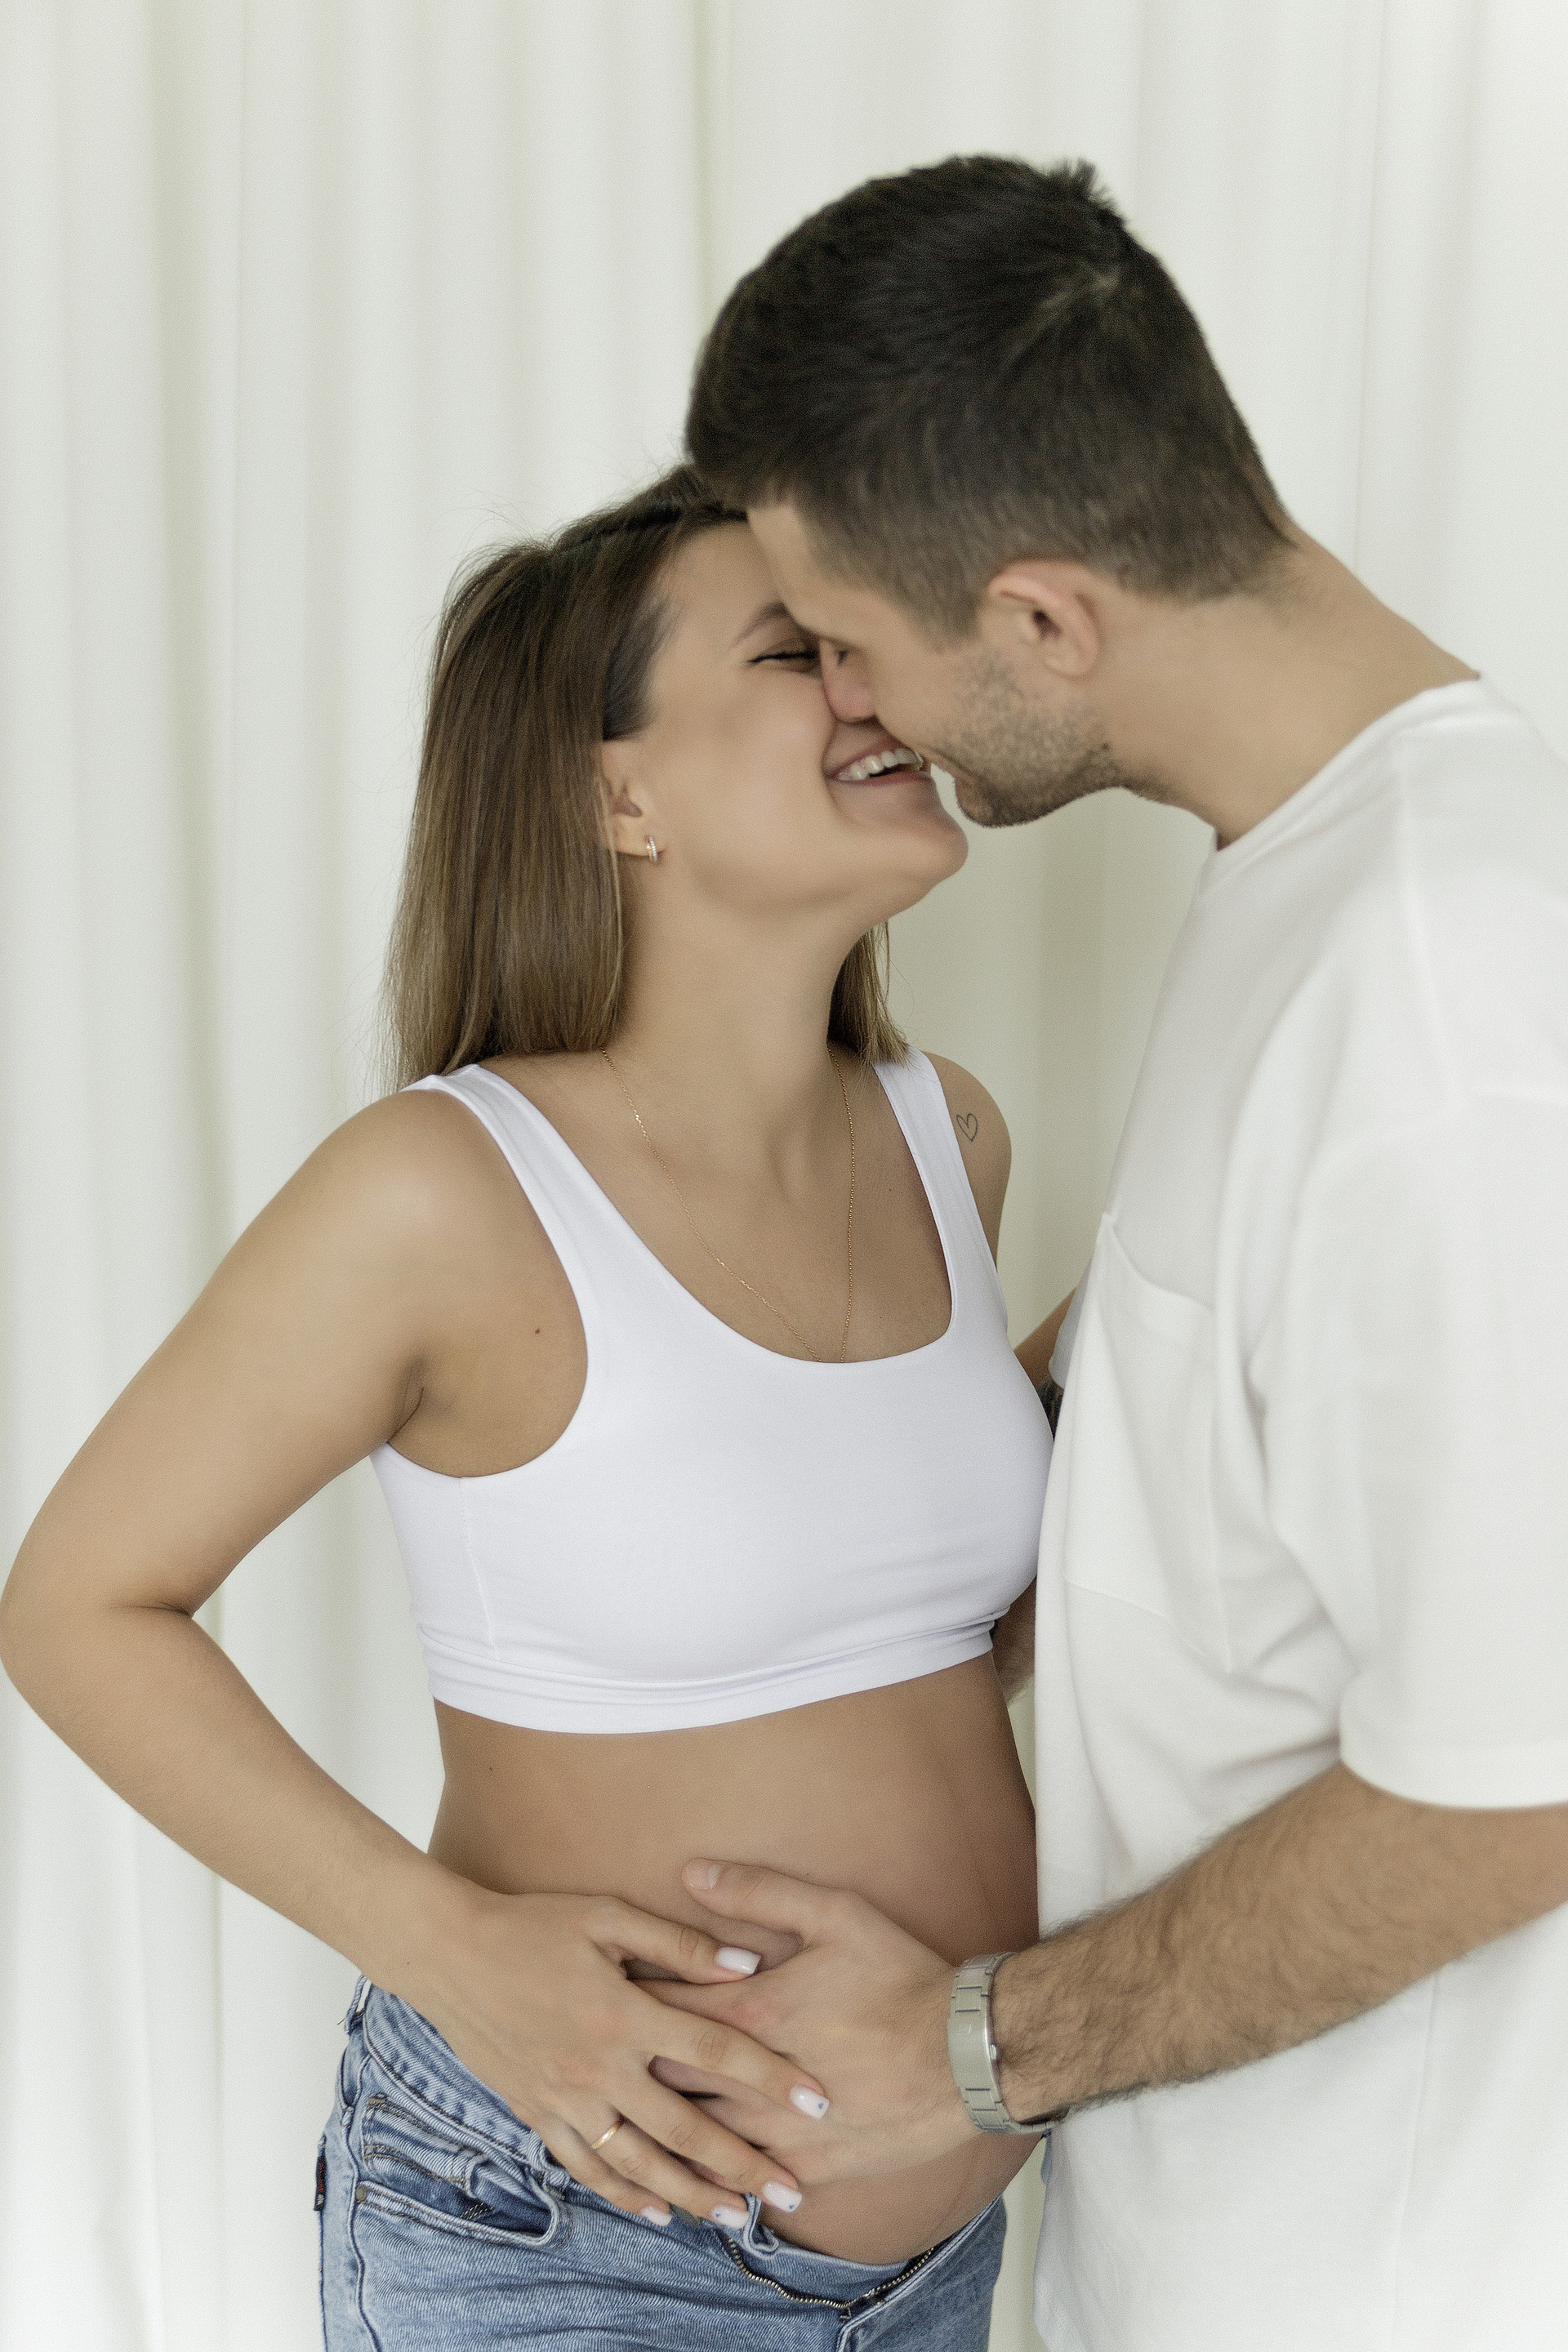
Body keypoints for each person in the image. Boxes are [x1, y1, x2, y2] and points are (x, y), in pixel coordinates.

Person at [0, 464, 1076, 2350]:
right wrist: (453, 1950)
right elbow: (78, 1607)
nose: (877, 684)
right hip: (572, 2243)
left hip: (933, 2255)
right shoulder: (441, 1192)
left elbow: (901, 1635)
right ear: (615, 796)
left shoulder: (947, 1134)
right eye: (797, 653)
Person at [644, 158, 1568, 2351]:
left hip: (1377, 2291)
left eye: (848, 639)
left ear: (1046, 620)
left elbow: (1515, 1789)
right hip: (1210, 2246)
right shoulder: (1321, 877)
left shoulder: (1445, 1003)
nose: (854, 705)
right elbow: (1221, 1380)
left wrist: (968, 2051)